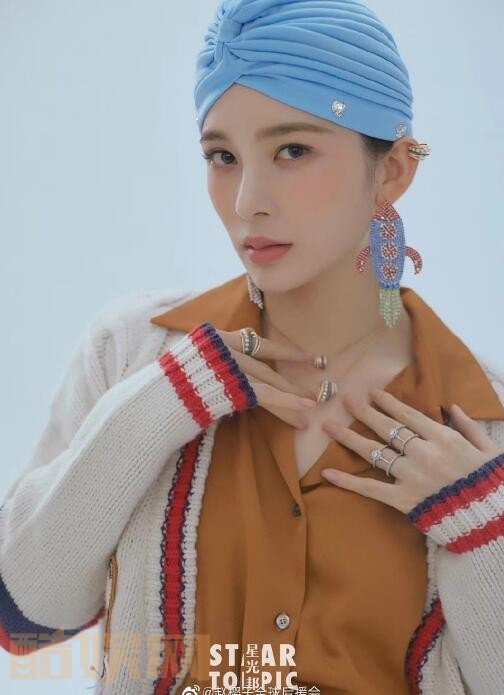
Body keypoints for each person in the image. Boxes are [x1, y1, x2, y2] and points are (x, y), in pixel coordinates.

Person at [1, 1, 504, 694]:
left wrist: (482, 532)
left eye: (292, 151)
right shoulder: (132, 352)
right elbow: (26, 616)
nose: (246, 202)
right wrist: (165, 402)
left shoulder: (485, 424)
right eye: (223, 157)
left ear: (391, 169)